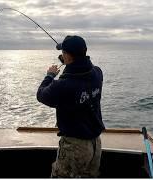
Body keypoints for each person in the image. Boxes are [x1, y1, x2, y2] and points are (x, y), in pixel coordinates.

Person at [36, 35, 105, 178]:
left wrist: (50, 75)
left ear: (67, 55)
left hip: (75, 147)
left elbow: (41, 95)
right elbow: (86, 69)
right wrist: (69, 63)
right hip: (95, 144)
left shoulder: (62, 85)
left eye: (64, 53)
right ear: (84, 51)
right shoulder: (98, 73)